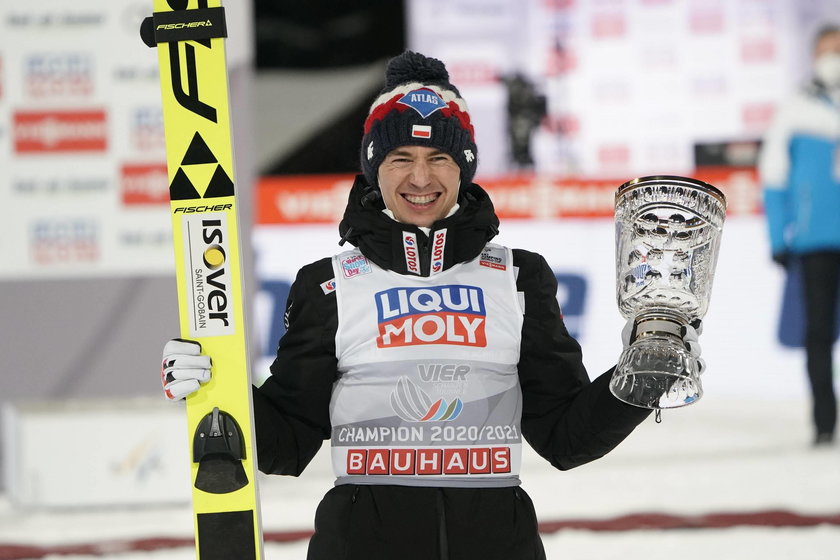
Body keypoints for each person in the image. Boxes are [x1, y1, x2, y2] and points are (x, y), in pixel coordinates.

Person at [162, 51, 703, 559]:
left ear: (464, 166)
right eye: (401, 158)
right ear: (375, 166)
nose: (421, 178)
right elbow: (288, 442)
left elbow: (565, 437)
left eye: (439, 158)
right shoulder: (328, 285)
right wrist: (216, 390)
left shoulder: (519, 277)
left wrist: (640, 379)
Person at [759, 25, 840, 447]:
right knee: (819, 336)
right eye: (827, 51)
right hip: (816, 240)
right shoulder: (795, 107)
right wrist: (778, 237)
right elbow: (773, 178)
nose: (833, 58)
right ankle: (825, 423)